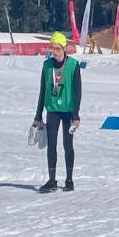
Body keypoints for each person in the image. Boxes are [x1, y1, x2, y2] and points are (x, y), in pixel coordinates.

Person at [34, 31, 82, 193]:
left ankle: (69, 180)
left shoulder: (73, 65)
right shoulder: (47, 65)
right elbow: (42, 90)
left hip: (68, 111)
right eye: (51, 49)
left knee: (68, 145)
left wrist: (76, 114)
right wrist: (38, 115)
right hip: (52, 110)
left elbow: (77, 91)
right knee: (51, 145)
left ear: (64, 48)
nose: (54, 52)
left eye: (57, 49)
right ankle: (52, 180)